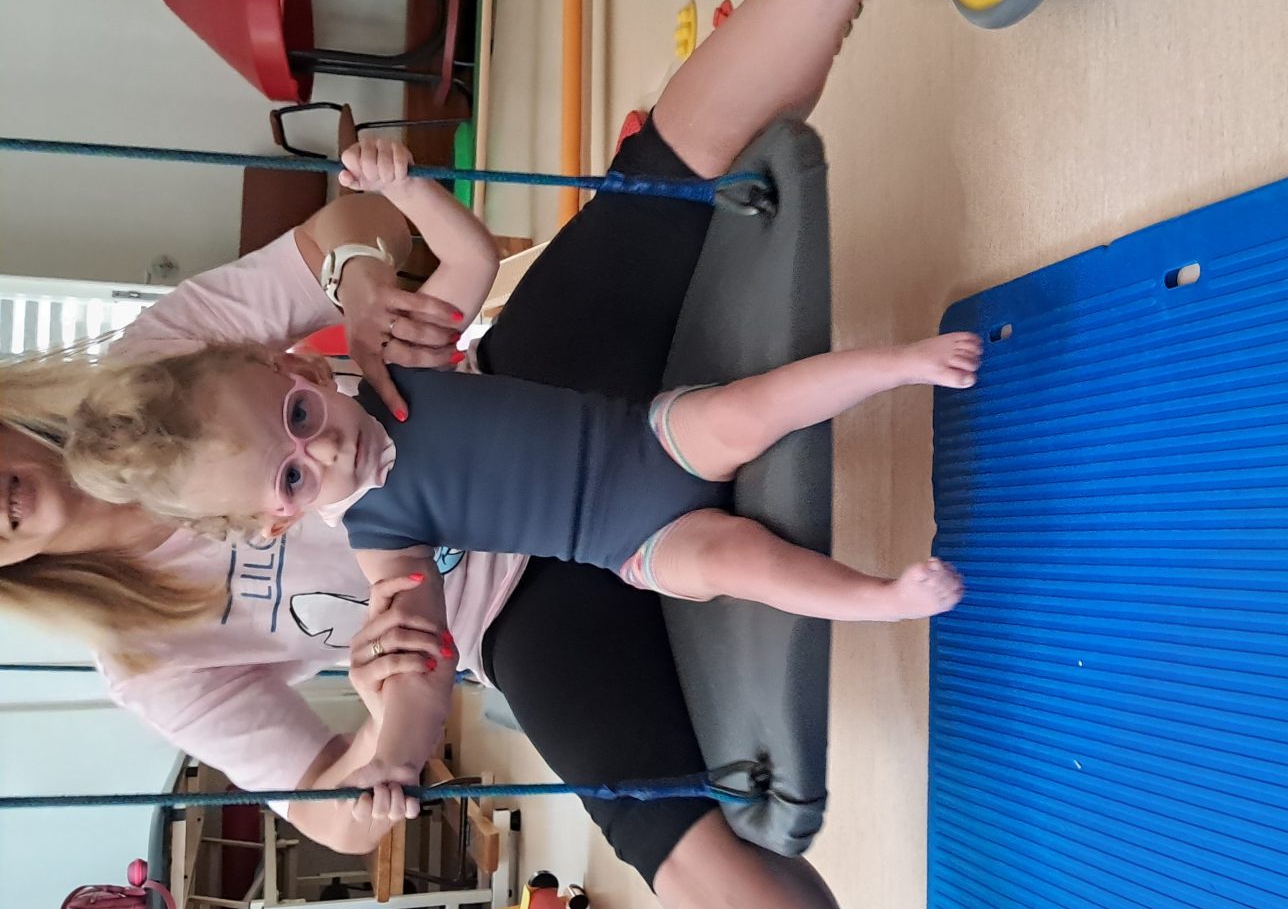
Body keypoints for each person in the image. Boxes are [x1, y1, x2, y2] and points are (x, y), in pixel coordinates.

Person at [0, 0, 1007, 909]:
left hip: (518, 400)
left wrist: (363, 283)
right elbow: (331, 790)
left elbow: (352, 232)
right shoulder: (145, 660)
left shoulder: (153, 366)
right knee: (662, 835)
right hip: (515, 618)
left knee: (656, 172)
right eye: (287, 474)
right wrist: (383, 755)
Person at [64, 137, 979, 626]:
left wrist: (404, 187)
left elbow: (468, 258)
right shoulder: (377, 539)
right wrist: (394, 663)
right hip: (634, 543)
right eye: (295, 476)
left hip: (646, 437)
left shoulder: (398, 373)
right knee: (742, 565)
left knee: (753, 408)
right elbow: (408, 613)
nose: (326, 448)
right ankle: (881, 598)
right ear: (278, 520)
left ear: (299, 367)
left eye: (301, 415)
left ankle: (902, 362)